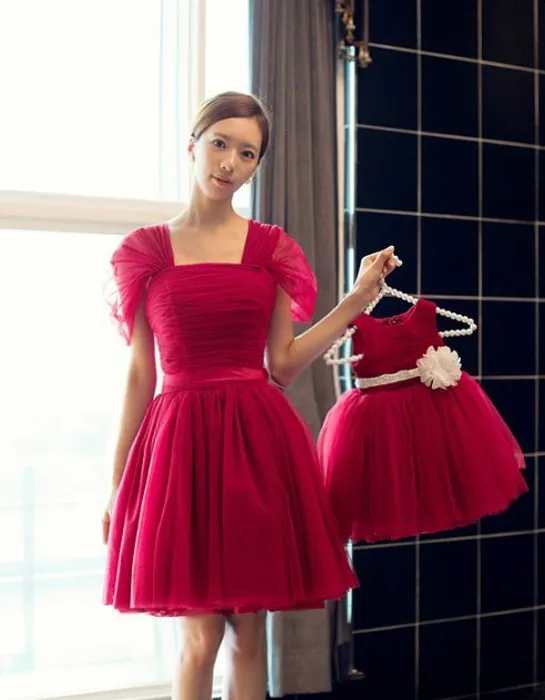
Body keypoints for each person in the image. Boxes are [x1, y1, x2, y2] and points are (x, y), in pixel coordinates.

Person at [101, 91, 398, 700]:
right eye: (219, 144)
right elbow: (139, 377)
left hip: (256, 444)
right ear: (192, 146)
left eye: (247, 153)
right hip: (178, 446)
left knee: (248, 634)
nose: (230, 162)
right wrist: (116, 485)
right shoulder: (145, 254)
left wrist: (358, 296)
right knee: (198, 640)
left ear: (256, 165)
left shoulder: (269, 250)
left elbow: (283, 364)